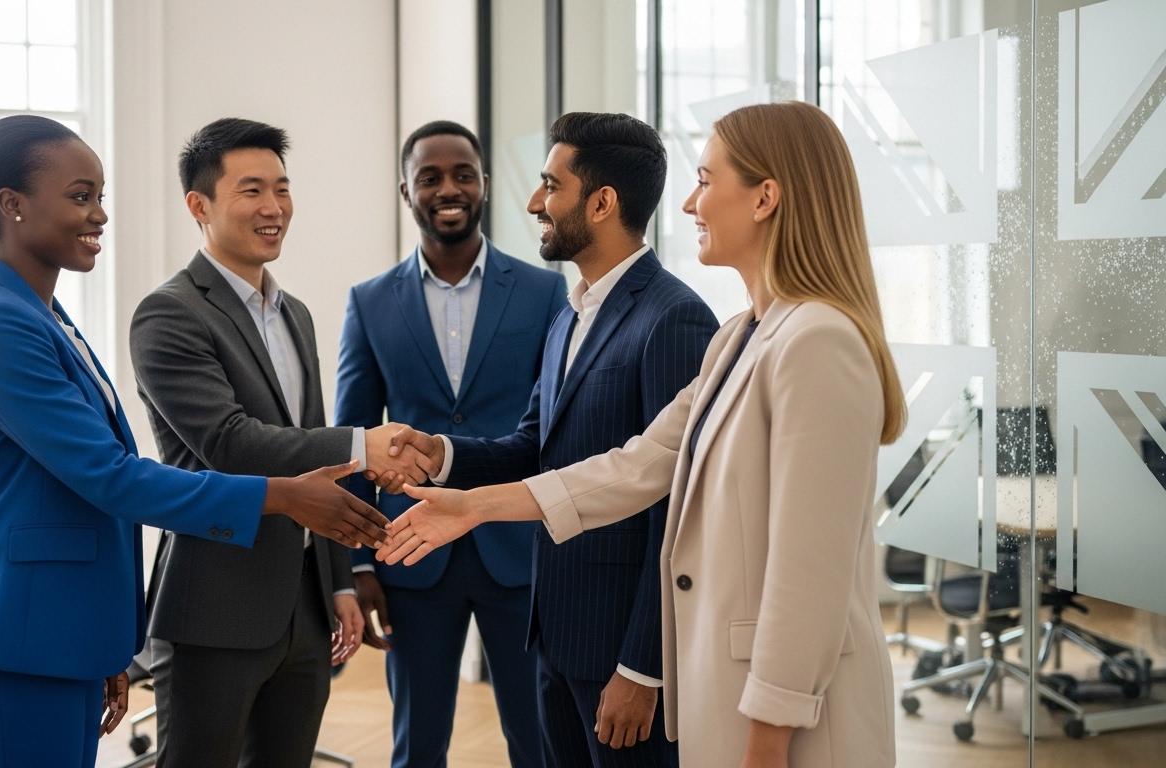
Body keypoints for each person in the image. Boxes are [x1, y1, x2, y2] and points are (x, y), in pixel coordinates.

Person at [378, 101, 906, 768]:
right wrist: (473, 503)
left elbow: (811, 573)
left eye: (708, 181)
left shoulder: (818, 341)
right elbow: (634, 467)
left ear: (766, 197)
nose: (689, 203)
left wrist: (768, 736)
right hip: (725, 692)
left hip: (789, 719)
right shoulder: (740, 337)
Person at [0, 115, 389, 768]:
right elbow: (111, 476)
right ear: (13, 205)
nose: (100, 215)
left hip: (54, 633)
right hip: (11, 635)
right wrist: (282, 497)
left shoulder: (43, 316)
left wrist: (104, 644)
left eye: (100, 197)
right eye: (80, 197)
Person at [377, 112, 719, 767]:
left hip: (620, 652)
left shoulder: (674, 318)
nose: (534, 202)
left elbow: (677, 514)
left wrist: (644, 669)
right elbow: (537, 445)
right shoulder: (570, 312)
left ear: (602, 202)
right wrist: (442, 455)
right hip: (555, 634)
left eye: (549, 186)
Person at [129, 117, 435, 768]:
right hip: (216, 603)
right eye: (251, 191)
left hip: (303, 609)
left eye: (282, 188)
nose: (273, 208)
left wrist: (341, 585)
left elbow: (309, 460)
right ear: (199, 206)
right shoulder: (170, 313)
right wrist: (364, 445)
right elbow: (229, 443)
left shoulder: (293, 313)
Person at [334, 120, 568, 768]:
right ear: (406, 191)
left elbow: (557, 427)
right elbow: (352, 435)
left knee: (539, 739)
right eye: (430, 177)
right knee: (418, 745)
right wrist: (358, 565)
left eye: (463, 173)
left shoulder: (544, 292)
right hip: (410, 556)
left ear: (484, 185)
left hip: (519, 550)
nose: (449, 188)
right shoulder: (371, 302)